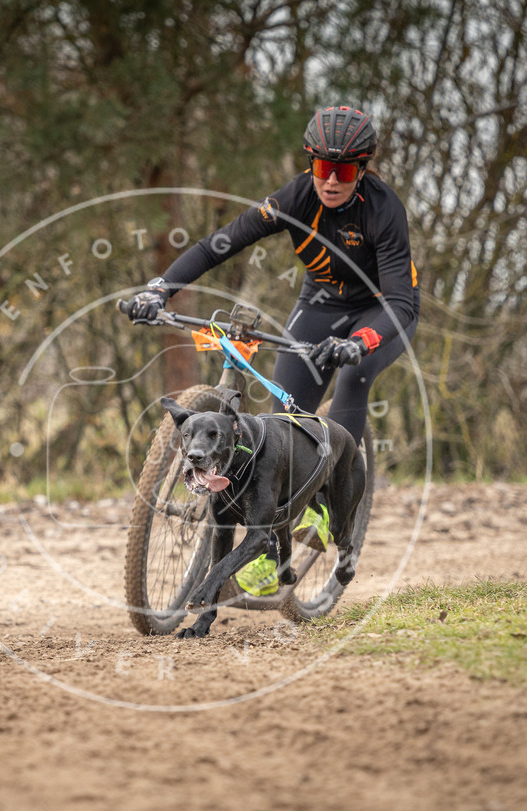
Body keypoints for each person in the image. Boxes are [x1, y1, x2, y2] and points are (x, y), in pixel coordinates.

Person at [124, 105, 420, 595]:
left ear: (362, 170)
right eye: (322, 168)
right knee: (287, 415)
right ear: (311, 165)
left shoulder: (384, 211)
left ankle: (329, 507)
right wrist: (160, 289)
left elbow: (401, 305)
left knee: (353, 376)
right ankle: (269, 533)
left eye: (343, 171)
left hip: (380, 314)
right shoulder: (296, 198)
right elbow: (221, 243)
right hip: (322, 303)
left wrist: (358, 342)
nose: (330, 180)